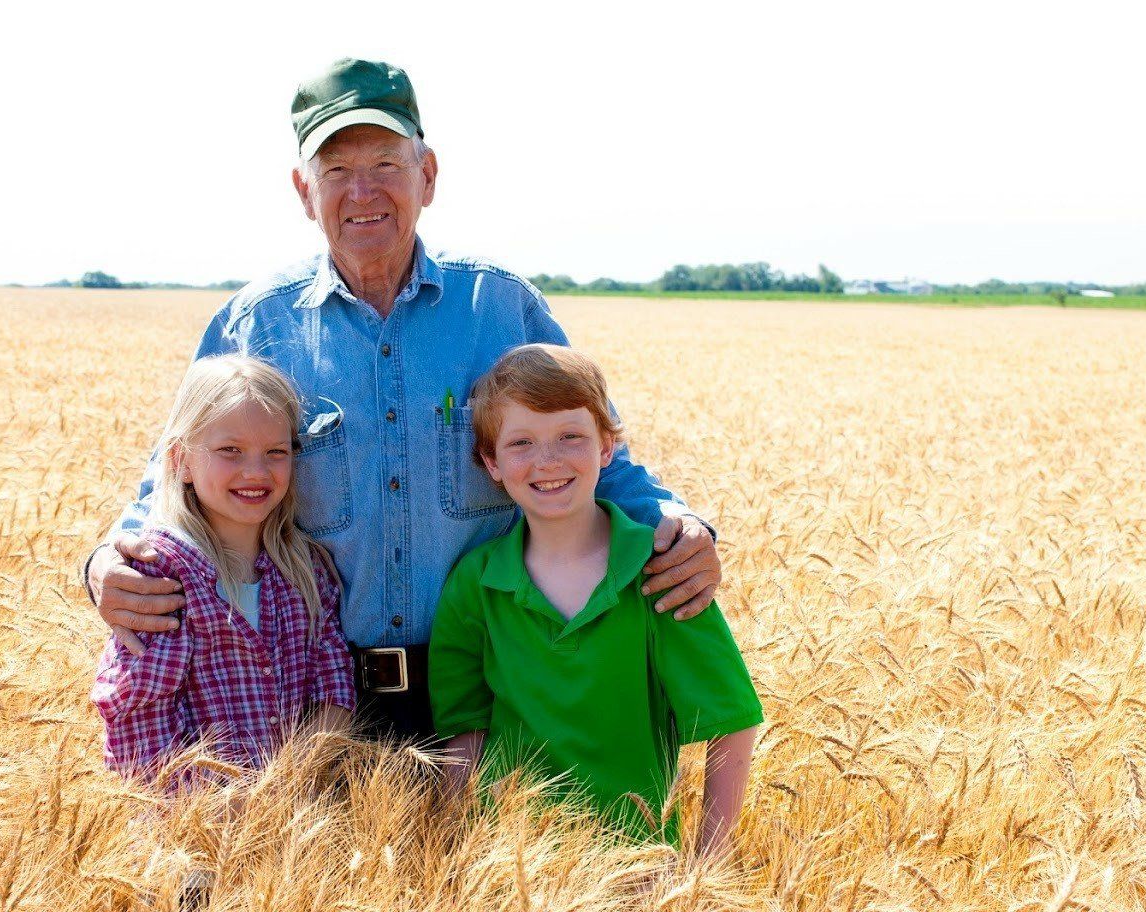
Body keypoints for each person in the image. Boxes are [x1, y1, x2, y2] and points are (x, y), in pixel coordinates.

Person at [84, 57, 725, 740]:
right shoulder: (255, 324)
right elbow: (172, 479)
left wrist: (678, 523)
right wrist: (107, 564)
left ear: (428, 175)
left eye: (386, 164)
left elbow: (588, 449)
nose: (363, 191)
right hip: (316, 699)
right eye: (335, 172)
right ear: (304, 191)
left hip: (492, 688)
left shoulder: (500, 309)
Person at [428, 345, 762, 856]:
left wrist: (704, 870)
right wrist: (454, 861)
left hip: (636, 871)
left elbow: (732, 722)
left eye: (571, 437)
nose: (549, 461)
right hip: (507, 867)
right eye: (521, 443)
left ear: (607, 449)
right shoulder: (475, 585)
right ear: (490, 462)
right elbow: (464, 736)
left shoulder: (661, 570)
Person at [91, 355, 355, 787]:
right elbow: (139, 723)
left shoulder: (306, 571)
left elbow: (334, 687)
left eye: (276, 452)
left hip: (293, 820)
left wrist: (286, 787)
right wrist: (222, 812)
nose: (256, 471)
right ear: (181, 460)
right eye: (230, 451)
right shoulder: (162, 576)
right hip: (185, 836)